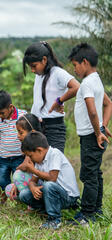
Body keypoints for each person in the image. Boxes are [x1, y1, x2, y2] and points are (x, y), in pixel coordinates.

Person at [68, 43, 112, 225]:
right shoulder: (97, 80)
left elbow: (93, 111)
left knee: (88, 175)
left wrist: (97, 131)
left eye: (75, 65)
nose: (75, 69)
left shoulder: (86, 84)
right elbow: (109, 104)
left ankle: (87, 214)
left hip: (90, 136)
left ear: (84, 62)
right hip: (95, 134)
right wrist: (103, 126)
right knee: (95, 174)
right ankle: (97, 208)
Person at [23, 41, 80, 153]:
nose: (32, 70)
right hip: (37, 127)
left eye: (34, 66)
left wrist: (59, 101)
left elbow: (77, 87)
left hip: (53, 128)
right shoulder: (39, 75)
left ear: (44, 60)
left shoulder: (58, 73)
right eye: (30, 67)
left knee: (54, 164)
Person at [19, 132, 80, 230]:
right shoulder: (39, 161)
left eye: (30, 155)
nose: (30, 159)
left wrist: (33, 169)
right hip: (53, 195)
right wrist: (33, 187)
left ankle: (54, 220)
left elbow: (52, 178)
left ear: (39, 150)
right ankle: (45, 211)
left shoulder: (54, 154)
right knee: (23, 194)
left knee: (48, 185)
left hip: (68, 197)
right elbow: (32, 181)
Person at [0, 90, 27, 203]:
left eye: (2, 113)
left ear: (10, 107)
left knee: (19, 180)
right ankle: (3, 202)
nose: (0, 116)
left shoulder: (22, 115)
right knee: (2, 181)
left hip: (19, 157)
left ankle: (20, 201)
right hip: (4, 158)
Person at [5, 113, 42, 201]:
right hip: (32, 181)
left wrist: (20, 168)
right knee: (9, 189)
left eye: (21, 132)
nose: (18, 136)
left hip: (41, 183)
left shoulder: (37, 148)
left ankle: (33, 204)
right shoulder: (28, 146)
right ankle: (26, 200)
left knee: (17, 175)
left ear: (32, 132)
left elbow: (25, 167)